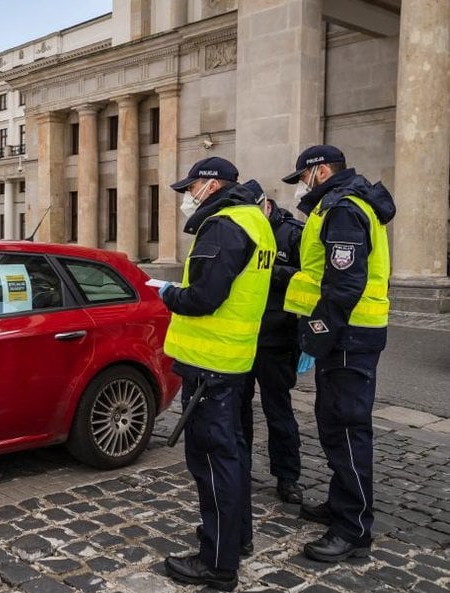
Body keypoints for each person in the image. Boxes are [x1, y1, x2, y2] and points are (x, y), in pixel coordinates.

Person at [158, 157, 276, 592]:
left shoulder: (225, 224)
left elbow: (203, 297)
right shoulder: (254, 220)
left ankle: (218, 562)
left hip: (211, 365)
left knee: (212, 462)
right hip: (232, 360)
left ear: (209, 185)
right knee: (232, 455)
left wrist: (169, 293)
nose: (188, 197)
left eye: (191, 188)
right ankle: (234, 538)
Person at [280, 145, 395, 563]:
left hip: (349, 335)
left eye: (302, 179)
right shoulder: (339, 205)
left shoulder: (344, 208)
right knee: (334, 426)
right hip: (347, 335)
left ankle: (353, 529)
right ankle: (341, 504)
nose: (299, 188)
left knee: (347, 430)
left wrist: (317, 333)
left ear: (321, 171)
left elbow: (344, 282)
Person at [237, 180, 306, 505]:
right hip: (243, 335)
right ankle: (240, 468)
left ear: (265, 206)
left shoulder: (291, 232)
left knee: (278, 410)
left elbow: (308, 276)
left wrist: (270, 271)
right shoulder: (242, 229)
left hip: (278, 337)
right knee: (238, 410)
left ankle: (287, 476)